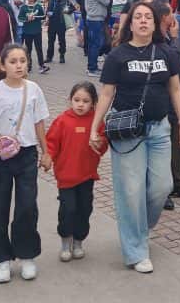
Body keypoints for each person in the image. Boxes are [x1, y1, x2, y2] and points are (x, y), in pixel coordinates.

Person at [89, 1, 180, 273]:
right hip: (128, 131)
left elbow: (176, 89)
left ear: (156, 24)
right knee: (130, 192)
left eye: (148, 17)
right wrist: (94, 127)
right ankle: (136, 251)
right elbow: (107, 94)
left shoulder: (167, 52)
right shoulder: (118, 55)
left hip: (159, 129)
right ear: (130, 23)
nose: (143, 21)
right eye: (138, 17)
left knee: (161, 187)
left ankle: (140, 226)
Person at [0, 43, 52, 284]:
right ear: (4, 66)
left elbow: (39, 123)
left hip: (27, 155)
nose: (19, 65)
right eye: (13, 61)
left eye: (22, 60)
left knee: (27, 206)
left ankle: (27, 254)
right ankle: (2, 259)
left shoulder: (34, 89)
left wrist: (46, 152)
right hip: (0, 157)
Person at [46, 82, 107, 263]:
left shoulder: (96, 121)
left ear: (94, 103)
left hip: (87, 175)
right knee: (68, 209)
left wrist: (100, 143)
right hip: (65, 177)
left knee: (85, 208)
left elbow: (103, 145)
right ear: (70, 100)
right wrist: (48, 156)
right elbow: (51, 143)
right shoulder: (62, 121)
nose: (80, 104)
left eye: (85, 101)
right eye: (77, 100)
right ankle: (66, 241)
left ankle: (79, 241)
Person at [153, 0, 180, 208]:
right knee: (165, 147)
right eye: (171, 13)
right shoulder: (159, 41)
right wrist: (177, 38)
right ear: (164, 18)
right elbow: (175, 62)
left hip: (178, 101)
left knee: (179, 144)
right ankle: (164, 189)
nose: (175, 17)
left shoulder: (169, 38)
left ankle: (178, 182)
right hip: (165, 102)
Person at [83, 0, 111, 77]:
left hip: (93, 19)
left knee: (93, 44)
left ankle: (92, 66)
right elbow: (106, 0)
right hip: (95, 20)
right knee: (96, 44)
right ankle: (92, 68)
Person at [18, 0, 47, 73]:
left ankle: (41, 66)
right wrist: (27, 19)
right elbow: (20, 18)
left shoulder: (38, 7)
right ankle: (28, 66)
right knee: (28, 50)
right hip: (27, 32)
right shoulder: (23, 7)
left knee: (39, 49)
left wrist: (35, 17)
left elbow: (43, 16)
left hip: (37, 31)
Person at [44, 0, 69, 65]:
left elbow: (72, 8)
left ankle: (62, 56)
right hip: (52, 23)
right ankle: (49, 57)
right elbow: (48, 9)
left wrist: (67, 10)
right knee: (50, 41)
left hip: (61, 23)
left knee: (61, 41)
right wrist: (47, 16)